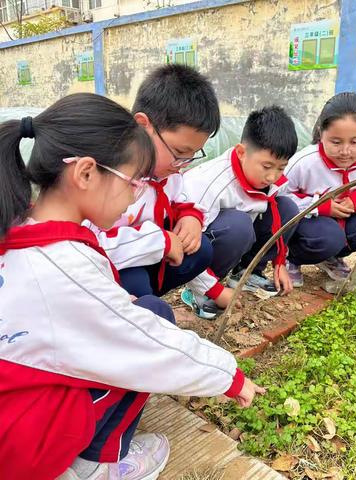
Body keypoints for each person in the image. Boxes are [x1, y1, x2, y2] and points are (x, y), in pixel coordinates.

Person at [0, 93, 264, 480]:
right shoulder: (62, 265)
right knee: (144, 327)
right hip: (21, 448)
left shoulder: (21, 226)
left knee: (138, 312)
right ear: (86, 173)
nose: (137, 193)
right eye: (132, 181)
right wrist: (229, 376)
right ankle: (93, 467)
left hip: (12, 407)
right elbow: (146, 344)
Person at [87, 64, 223, 303]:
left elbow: (179, 199)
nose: (183, 163)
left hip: (153, 252)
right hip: (112, 263)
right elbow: (90, 246)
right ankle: (141, 308)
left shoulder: (169, 171)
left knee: (202, 249)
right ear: (143, 126)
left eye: (193, 154)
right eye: (180, 151)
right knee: (134, 281)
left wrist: (189, 217)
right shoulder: (109, 176)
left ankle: (153, 300)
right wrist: (159, 241)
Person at [181, 106, 299, 319]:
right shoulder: (208, 183)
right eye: (267, 166)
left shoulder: (267, 178)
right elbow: (188, 248)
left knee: (287, 208)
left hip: (238, 234)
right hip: (204, 245)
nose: (273, 176)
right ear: (241, 153)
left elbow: (274, 212)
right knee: (239, 225)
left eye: (281, 168)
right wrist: (215, 291)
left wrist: (280, 261)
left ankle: (247, 273)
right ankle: (198, 291)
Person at [284, 92, 356, 288]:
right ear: (321, 133)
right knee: (328, 237)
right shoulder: (304, 163)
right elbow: (281, 199)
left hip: (344, 222)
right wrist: (319, 206)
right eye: (336, 142)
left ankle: (331, 258)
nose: (345, 151)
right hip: (312, 225)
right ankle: (292, 258)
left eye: (355, 142)